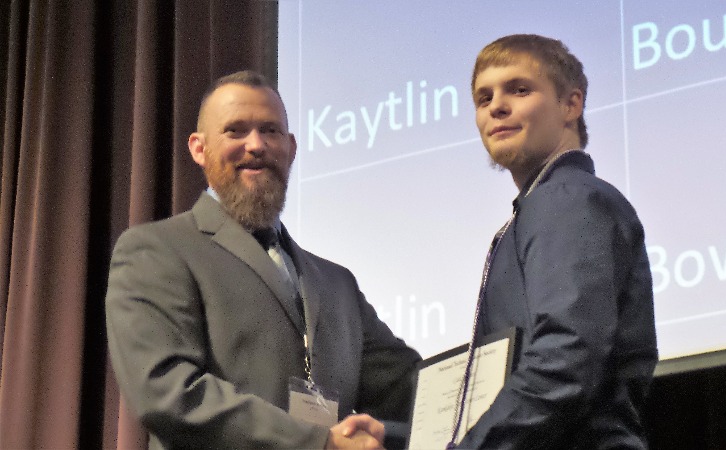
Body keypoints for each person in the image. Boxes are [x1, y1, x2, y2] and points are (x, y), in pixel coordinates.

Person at [105, 70, 421, 449]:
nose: (256, 145)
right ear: (198, 148)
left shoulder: (337, 284)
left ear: (290, 147)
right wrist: (318, 444)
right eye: (235, 131)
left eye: (270, 131)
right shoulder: (156, 250)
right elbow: (167, 391)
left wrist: (499, 383)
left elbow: (408, 389)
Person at [453, 34, 658, 448]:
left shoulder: (566, 198)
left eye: (520, 89)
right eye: (483, 97)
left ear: (571, 105)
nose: (496, 106)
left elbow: (567, 359)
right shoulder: (539, 207)